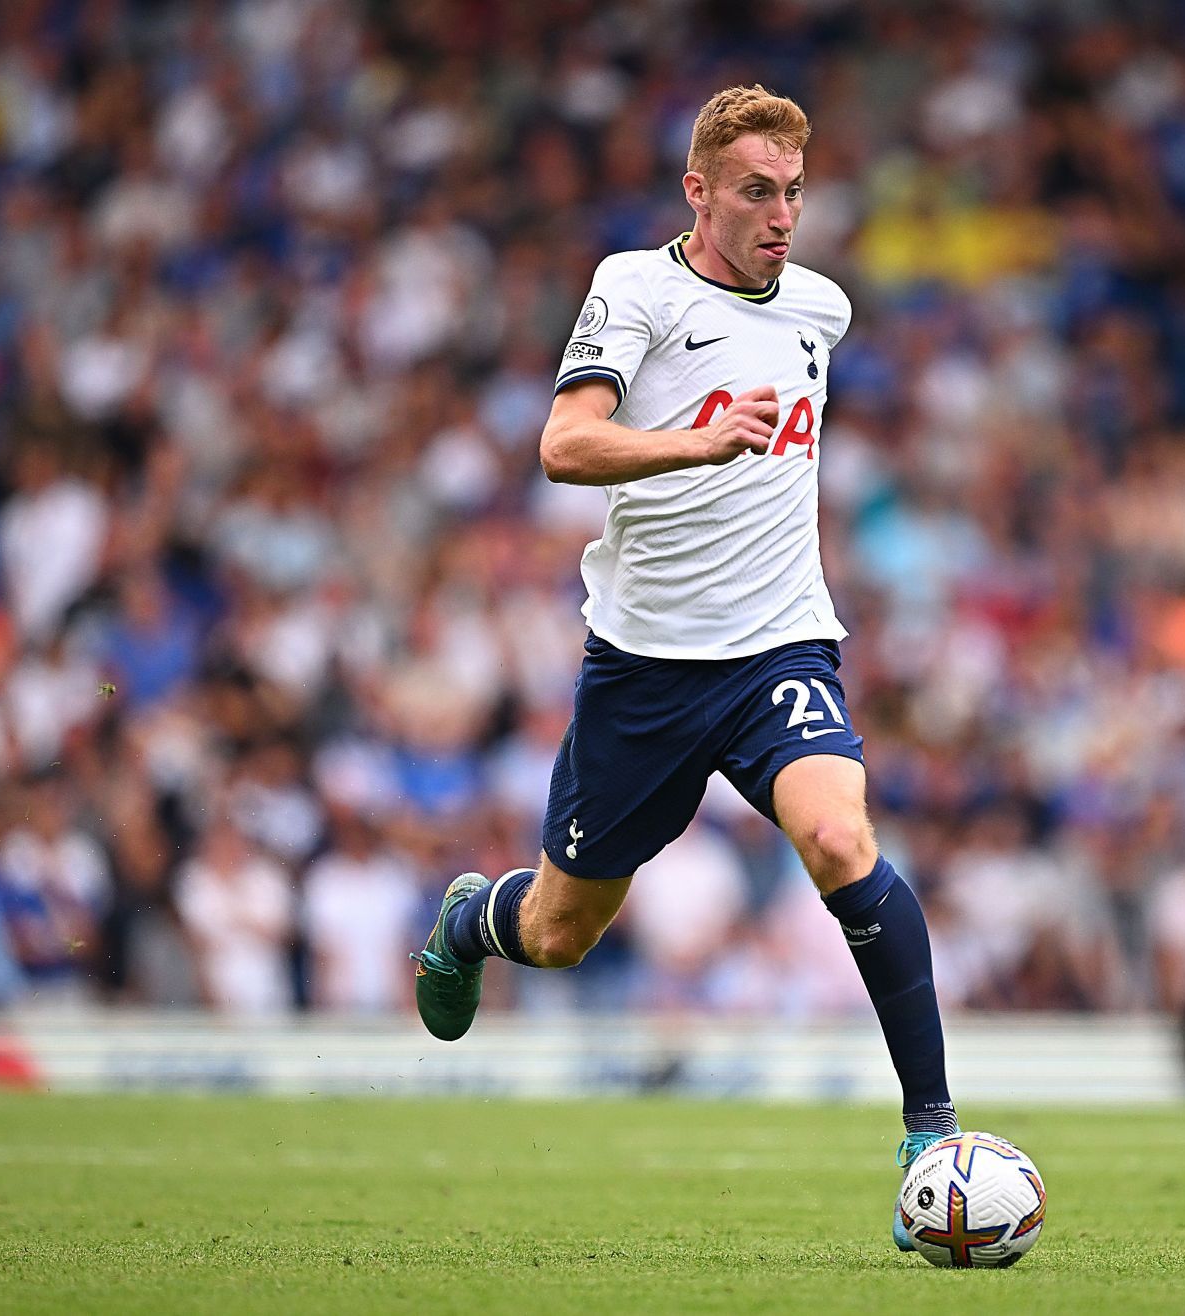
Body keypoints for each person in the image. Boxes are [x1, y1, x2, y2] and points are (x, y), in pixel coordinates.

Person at [408, 85, 956, 1247]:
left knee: (842, 840)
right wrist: (694, 442)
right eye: (757, 190)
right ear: (698, 191)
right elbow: (564, 444)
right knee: (561, 932)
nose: (781, 215)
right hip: (646, 670)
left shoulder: (821, 308)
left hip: (778, 648)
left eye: (795, 192)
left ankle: (932, 1137)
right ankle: (469, 922)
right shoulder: (635, 288)